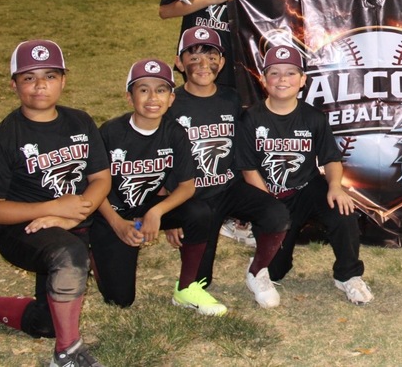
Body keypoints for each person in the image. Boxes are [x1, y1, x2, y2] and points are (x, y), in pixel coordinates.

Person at [0, 40, 110, 367]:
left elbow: (101, 178)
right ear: (13, 85)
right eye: (29, 78)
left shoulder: (80, 122)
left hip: (71, 224)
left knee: (47, 322)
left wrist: (74, 213)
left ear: (63, 81)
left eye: (50, 76)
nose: (40, 85)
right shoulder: (3, 138)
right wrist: (54, 208)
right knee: (71, 256)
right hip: (22, 231)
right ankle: (67, 353)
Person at [237, 45, 374, 304]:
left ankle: (348, 275)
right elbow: (248, 168)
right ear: (264, 79)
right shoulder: (251, 118)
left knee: (342, 209)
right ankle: (259, 265)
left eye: (290, 73)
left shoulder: (313, 117)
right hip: (269, 193)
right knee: (276, 271)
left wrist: (335, 187)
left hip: (305, 188)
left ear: (302, 80)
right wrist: (266, 205)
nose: (282, 79)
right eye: (274, 73)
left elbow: (331, 159)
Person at [166, 26, 291, 308]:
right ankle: (186, 288)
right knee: (200, 281)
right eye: (193, 58)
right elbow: (162, 159)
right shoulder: (171, 103)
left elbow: (245, 148)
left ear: (221, 63)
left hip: (228, 188)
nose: (203, 65)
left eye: (211, 57)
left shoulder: (232, 98)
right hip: (194, 197)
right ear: (179, 63)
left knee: (277, 214)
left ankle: (257, 271)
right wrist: (171, 215)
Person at [90, 58, 226, 316]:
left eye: (161, 90)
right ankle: (93, 254)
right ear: (129, 97)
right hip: (110, 212)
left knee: (199, 212)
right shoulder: (110, 132)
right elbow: (92, 186)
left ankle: (186, 287)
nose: (153, 98)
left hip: (146, 206)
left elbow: (187, 187)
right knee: (120, 300)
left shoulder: (174, 132)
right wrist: (118, 224)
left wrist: (158, 212)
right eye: (143, 90)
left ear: (171, 98)